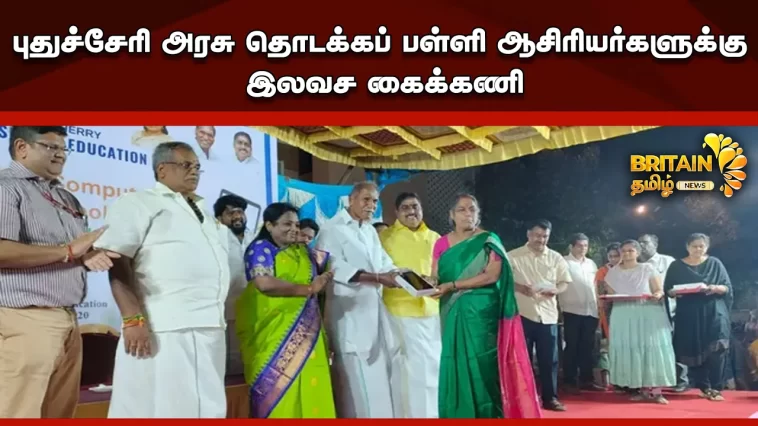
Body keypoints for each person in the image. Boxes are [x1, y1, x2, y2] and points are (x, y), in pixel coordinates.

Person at [94, 142, 232, 418]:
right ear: (161, 169)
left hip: (210, 324)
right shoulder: (139, 202)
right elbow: (118, 260)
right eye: (186, 165)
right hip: (166, 327)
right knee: (166, 408)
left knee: (207, 408)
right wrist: (132, 319)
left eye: (197, 167)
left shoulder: (205, 214)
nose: (194, 171)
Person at [0, 126, 118, 418]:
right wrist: (68, 251)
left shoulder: (66, 198)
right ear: (21, 147)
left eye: (64, 149)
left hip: (68, 320)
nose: (60, 155)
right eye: (51, 147)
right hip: (25, 319)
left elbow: (73, 252)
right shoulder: (6, 187)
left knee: (58, 414)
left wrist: (88, 256)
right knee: (17, 412)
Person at [433, 194, 541, 418]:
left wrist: (453, 285)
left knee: (483, 365)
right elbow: (436, 275)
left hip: (482, 311)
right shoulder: (441, 243)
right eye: (462, 210)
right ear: (452, 215)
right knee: (455, 361)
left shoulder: (488, 240)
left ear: (478, 214)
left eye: (472, 209)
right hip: (451, 310)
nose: (468, 214)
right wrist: (424, 283)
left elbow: (492, 275)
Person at [237, 202, 336, 418]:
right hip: (270, 335)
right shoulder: (260, 248)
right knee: (278, 394)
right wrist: (309, 289)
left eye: (297, 225)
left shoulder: (303, 254)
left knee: (312, 385)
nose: (294, 229)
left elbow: (333, 267)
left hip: (308, 333)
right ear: (269, 225)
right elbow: (264, 283)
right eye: (287, 224)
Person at [315, 181, 402, 418]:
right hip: (349, 315)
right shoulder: (331, 229)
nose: (371, 205)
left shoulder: (369, 230)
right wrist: (378, 278)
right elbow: (334, 267)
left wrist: (408, 278)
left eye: (375, 201)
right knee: (354, 382)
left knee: (379, 380)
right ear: (351, 199)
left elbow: (385, 262)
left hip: (373, 312)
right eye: (366, 199)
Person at [379, 192, 441, 418]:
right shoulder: (385, 237)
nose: (411, 211)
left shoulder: (435, 238)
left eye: (415, 206)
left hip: (431, 310)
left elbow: (442, 271)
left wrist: (435, 280)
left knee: (432, 368)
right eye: (405, 207)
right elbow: (380, 270)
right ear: (396, 212)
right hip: (399, 311)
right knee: (407, 370)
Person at [508, 219, 571, 412]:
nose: (541, 240)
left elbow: (564, 282)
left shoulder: (555, 257)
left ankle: (550, 398)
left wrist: (556, 290)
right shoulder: (513, 256)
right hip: (522, 314)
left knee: (550, 360)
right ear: (528, 234)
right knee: (522, 360)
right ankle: (524, 399)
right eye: (537, 235)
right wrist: (520, 287)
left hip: (548, 315)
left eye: (545, 236)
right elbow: (502, 281)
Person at [604, 240, 676, 404]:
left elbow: (658, 290)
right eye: (624, 251)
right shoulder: (612, 273)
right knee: (633, 348)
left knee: (651, 348)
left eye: (631, 250)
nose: (627, 254)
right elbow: (611, 294)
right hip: (623, 314)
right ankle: (641, 390)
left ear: (637, 252)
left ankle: (657, 392)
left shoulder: (647, 268)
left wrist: (657, 295)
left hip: (647, 311)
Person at [664, 233, 732, 402]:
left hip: (714, 311)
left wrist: (715, 288)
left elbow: (727, 287)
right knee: (695, 350)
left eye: (701, 246)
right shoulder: (676, 266)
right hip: (689, 314)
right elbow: (668, 290)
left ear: (707, 247)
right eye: (694, 246)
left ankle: (716, 387)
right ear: (687, 247)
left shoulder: (714, 263)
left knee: (717, 348)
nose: (698, 249)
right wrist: (674, 292)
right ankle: (704, 387)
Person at [639, 233, 687, 392]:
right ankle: (654, 381)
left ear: (655, 245)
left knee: (673, 343)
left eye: (645, 242)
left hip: (669, 308)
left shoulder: (667, 261)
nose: (641, 245)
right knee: (651, 346)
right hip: (645, 310)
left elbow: (678, 282)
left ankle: (680, 379)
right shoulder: (636, 263)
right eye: (639, 243)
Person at [214, 194, 255, 377]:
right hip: (225, 309)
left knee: (249, 359)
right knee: (229, 363)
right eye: (230, 213)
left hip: (252, 308)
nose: (237, 216)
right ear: (219, 218)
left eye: (240, 212)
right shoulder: (216, 239)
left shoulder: (254, 238)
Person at [559, 233, 601, 392]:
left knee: (588, 346)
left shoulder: (591, 264)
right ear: (571, 246)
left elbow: (595, 285)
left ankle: (587, 379)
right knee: (572, 345)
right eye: (579, 245)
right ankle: (569, 380)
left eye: (585, 246)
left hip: (591, 310)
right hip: (572, 310)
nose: (583, 249)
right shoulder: (563, 262)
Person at [595, 242, 621, 339]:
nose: (613, 259)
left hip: (629, 304)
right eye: (610, 256)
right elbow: (600, 291)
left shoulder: (629, 269)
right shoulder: (602, 271)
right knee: (611, 335)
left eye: (616, 256)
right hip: (609, 307)